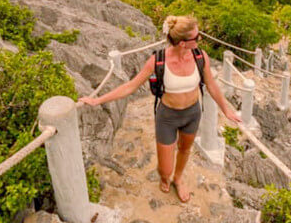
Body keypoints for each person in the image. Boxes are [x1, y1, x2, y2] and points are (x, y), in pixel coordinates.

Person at [79, 15, 241, 203]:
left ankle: (178, 179)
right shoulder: (158, 60)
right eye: (196, 37)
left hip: (193, 113)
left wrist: (227, 110)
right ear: (182, 43)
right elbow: (130, 86)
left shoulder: (199, 56)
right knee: (164, 169)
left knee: (184, 150)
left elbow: (211, 85)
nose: (200, 40)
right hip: (167, 117)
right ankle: (166, 177)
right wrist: (98, 100)